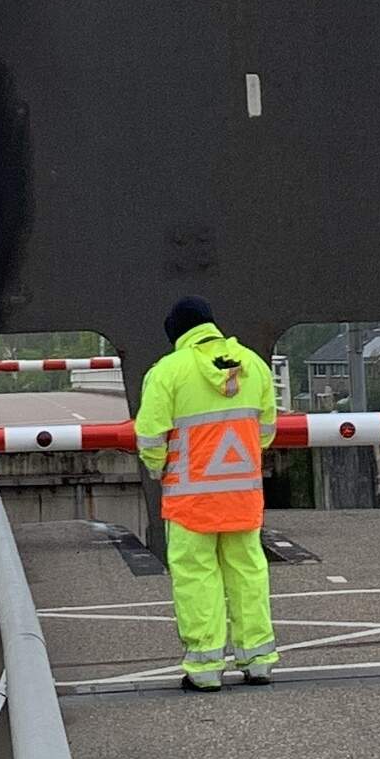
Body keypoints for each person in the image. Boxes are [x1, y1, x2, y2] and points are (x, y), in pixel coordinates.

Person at [134, 294, 280, 690]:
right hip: (242, 496)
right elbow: (266, 431)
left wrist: (159, 468)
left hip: (190, 501)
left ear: (177, 333)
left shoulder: (168, 372)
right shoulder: (253, 366)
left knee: (197, 578)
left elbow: (150, 436)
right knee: (248, 573)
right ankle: (259, 660)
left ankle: (205, 669)